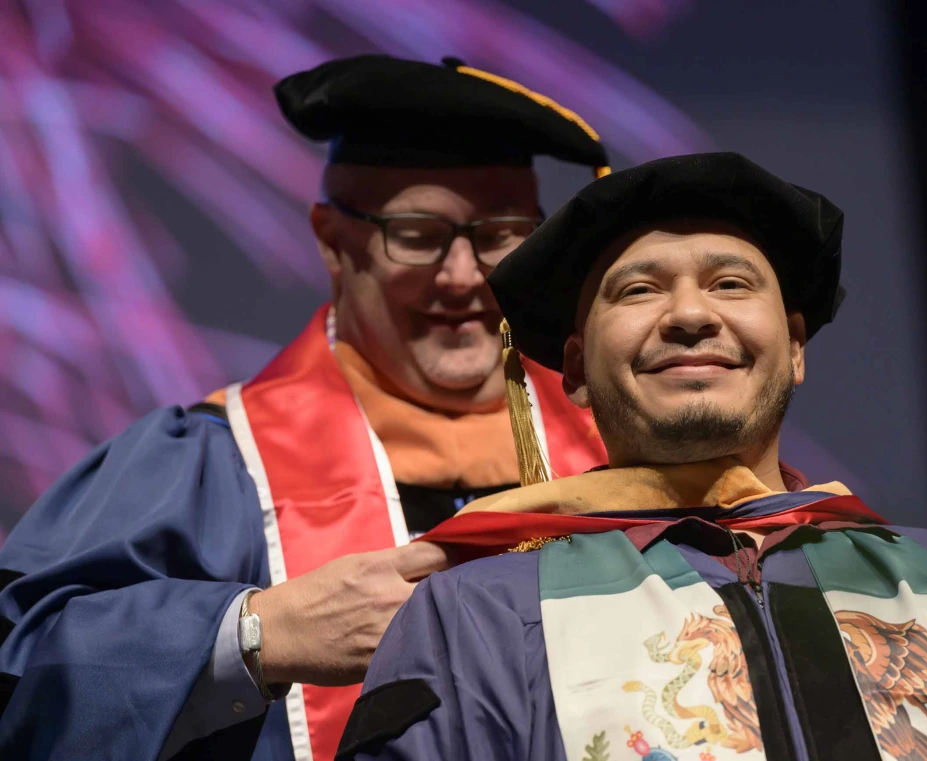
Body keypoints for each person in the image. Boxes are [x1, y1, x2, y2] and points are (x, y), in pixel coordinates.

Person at [342, 153, 927, 761]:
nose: (689, 313)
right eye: (639, 289)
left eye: (729, 282)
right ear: (576, 369)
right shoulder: (476, 616)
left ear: (793, 349)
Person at [0, 55, 609, 761]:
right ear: (332, 239)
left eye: (502, 232)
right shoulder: (209, 466)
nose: (465, 275)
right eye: (416, 234)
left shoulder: (614, 456)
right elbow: (22, 666)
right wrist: (256, 633)